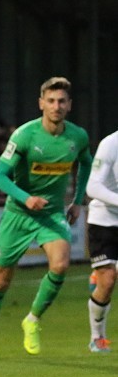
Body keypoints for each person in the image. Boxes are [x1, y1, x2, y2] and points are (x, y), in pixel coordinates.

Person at [0, 76, 92, 361]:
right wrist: (25, 197)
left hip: (51, 213)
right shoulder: (25, 135)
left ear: (70, 105)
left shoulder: (77, 136)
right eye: (51, 101)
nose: (56, 106)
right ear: (41, 103)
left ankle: (32, 319)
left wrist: (77, 201)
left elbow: (85, 164)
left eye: (62, 101)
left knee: (61, 264)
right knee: (2, 280)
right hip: (18, 214)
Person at [83, 129, 118, 354]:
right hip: (104, 221)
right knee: (108, 281)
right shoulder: (111, 143)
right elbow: (93, 187)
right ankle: (97, 337)